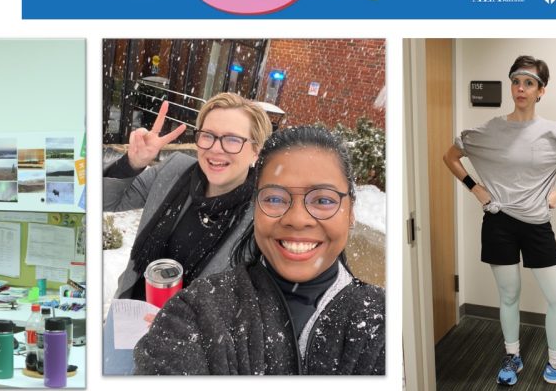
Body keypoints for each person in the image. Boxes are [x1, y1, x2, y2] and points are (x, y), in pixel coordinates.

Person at [132, 126, 385, 375]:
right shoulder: (196, 311)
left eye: (323, 200)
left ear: (351, 211)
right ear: (256, 208)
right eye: (274, 198)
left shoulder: (387, 320)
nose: (297, 219)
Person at [443, 55, 556, 387]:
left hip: (537, 224)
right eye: (516, 81)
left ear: (541, 91)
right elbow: (450, 157)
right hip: (499, 223)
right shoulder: (490, 130)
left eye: (528, 83)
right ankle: (512, 355)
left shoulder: (555, 133)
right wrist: (475, 188)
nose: (520, 88)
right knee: (509, 295)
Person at [105, 93, 272, 301]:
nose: (215, 148)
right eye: (208, 135)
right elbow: (107, 200)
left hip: (193, 332)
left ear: (256, 151)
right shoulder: (174, 171)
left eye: (232, 140)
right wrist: (131, 163)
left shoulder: (263, 216)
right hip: (130, 317)